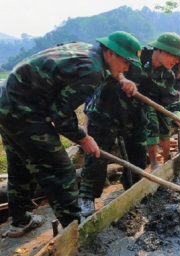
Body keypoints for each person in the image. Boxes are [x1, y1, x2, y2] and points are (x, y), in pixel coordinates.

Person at [0, 31, 141, 237]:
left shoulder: (86, 50)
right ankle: (75, 231)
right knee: (60, 170)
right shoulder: (92, 71)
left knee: (21, 165)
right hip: (25, 111)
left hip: (7, 101)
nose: (127, 68)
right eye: (126, 62)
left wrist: (120, 77)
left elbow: (57, 109)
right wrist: (83, 138)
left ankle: (20, 222)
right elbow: (60, 117)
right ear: (110, 53)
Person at [79, 32, 180, 218]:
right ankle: (87, 196)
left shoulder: (166, 75)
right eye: (174, 56)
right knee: (97, 155)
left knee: (137, 158)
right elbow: (107, 66)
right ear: (159, 50)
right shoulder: (134, 57)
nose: (177, 61)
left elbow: (171, 102)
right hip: (106, 112)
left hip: (135, 118)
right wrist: (122, 78)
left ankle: (132, 192)